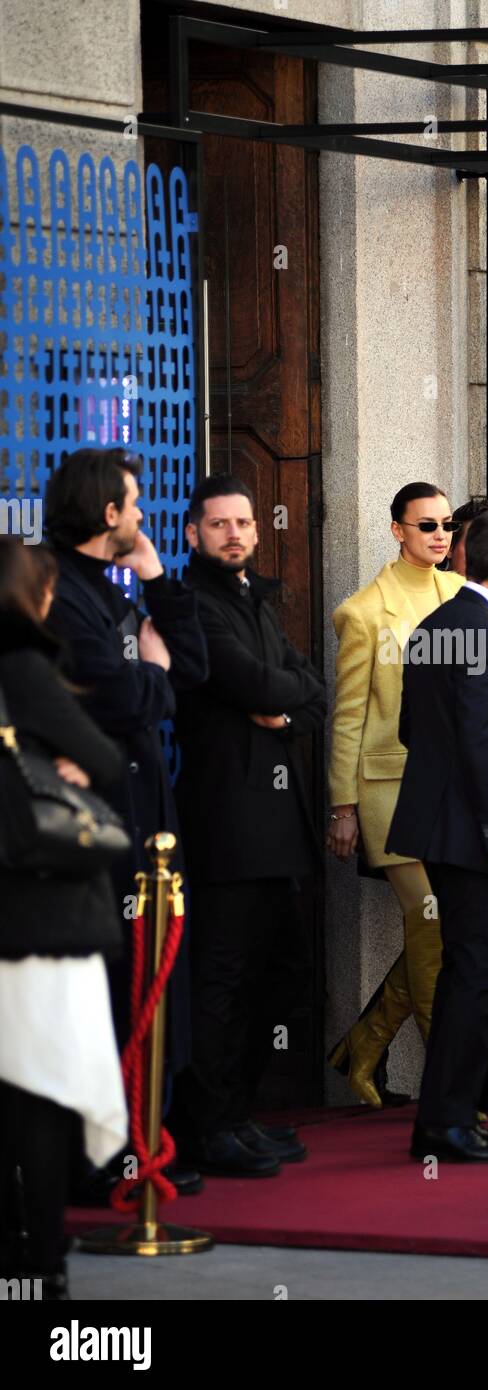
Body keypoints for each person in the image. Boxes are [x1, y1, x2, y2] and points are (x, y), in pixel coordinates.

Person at [43, 447, 208, 1199]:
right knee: (112, 997)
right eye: (135, 505)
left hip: (147, 828)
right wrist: (157, 673)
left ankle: (143, 1145)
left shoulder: (111, 588)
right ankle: (103, 1162)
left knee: (151, 990)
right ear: (107, 513)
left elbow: (191, 669)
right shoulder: (57, 593)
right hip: (98, 836)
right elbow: (122, 694)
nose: (143, 516)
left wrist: (154, 578)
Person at [169, 475, 326, 1176]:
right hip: (225, 827)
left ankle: (239, 1114)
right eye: (219, 525)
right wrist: (278, 694)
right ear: (192, 534)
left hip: (278, 827)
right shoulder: (191, 605)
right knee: (222, 983)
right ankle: (206, 1127)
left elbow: (312, 691)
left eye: (243, 522)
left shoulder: (254, 599)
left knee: (273, 979)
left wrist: (285, 712)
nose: (234, 534)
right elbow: (257, 683)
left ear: (259, 530)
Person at [387, 508, 488, 1163]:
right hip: (474, 836)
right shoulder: (483, 629)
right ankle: (444, 1123)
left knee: (467, 972)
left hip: (443, 826)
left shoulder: (435, 623)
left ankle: (455, 1112)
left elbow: (409, 731)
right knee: (477, 974)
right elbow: (482, 745)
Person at [0, 538, 126, 1299]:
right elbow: (103, 759)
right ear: (34, 596)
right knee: (42, 1093)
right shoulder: (20, 665)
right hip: (38, 917)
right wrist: (69, 762)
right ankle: (39, 1263)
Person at [326, 483, 463, 1106]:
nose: (440, 535)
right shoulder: (363, 612)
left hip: (452, 795)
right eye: (427, 525)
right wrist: (343, 806)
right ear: (396, 530)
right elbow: (348, 716)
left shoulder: (461, 595)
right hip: (389, 792)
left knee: (440, 932)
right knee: (431, 927)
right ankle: (450, 1088)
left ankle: (363, 1045)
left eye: (447, 526)